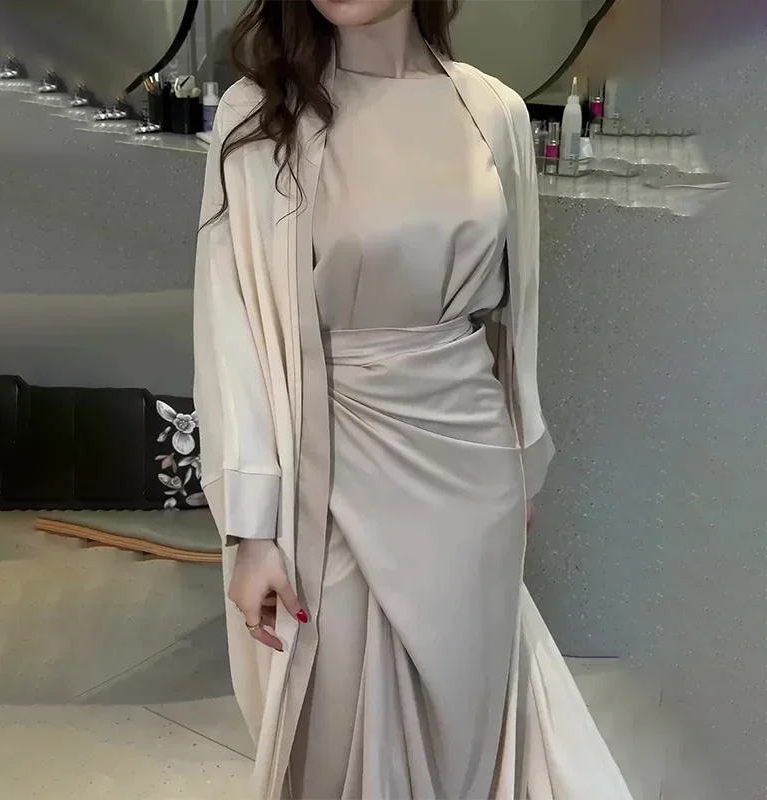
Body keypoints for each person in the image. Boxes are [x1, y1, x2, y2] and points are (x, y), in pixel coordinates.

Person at [193, 1, 633, 798]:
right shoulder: (260, 116)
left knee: (464, 740)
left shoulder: (493, 111)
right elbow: (233, 324)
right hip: (327, 469)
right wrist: (250, 528)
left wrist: (521, 463)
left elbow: (518, 313)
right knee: (331, 736)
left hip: (470, 474)